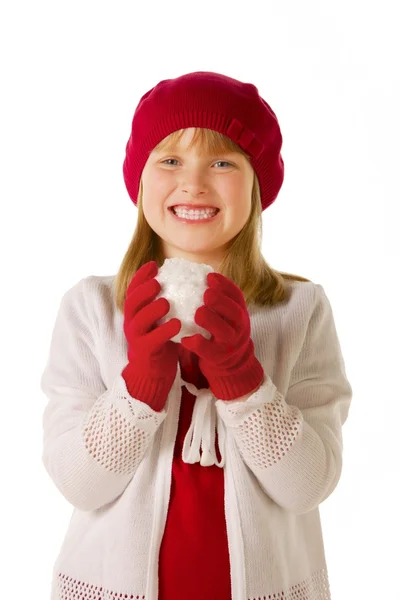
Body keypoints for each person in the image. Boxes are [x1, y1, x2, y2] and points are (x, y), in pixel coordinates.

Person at [40, 71, 353, 600]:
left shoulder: (300, 311)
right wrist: (141, 383)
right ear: (139, 180)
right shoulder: (91, 309)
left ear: (257, 184)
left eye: (223, 162)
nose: (194, 183)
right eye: (169, 161)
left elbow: (307, 487)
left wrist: (243, 379)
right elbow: (78, 483)